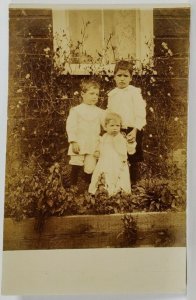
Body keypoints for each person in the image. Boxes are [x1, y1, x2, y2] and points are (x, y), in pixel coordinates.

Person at [107, 60, 146, 185]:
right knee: (119, 155)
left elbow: (140, 113)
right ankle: (120, 183)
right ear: (114, 77)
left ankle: (135, 184)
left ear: (131, 78)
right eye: (119, 75)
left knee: (133, 156)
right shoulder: (112, 94)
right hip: (117, 129)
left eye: (125, 76)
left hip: (133, 129)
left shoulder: (134, 93)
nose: (122, 79)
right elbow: (110, 113)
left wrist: (135, 130)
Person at [66, 78, 105, 187]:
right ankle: (72, 188)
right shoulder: (76, 110)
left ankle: (89, 189)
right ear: (83, 94)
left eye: (97, 94)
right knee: (76, 164)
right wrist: (73, 141)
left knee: (90, 167)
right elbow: (71, 126)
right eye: (91, 93)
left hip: (92, 144)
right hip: (79, 143)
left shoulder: (99, 112)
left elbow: (106, 124)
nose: (94, 97)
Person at [89, 112, 136, 196]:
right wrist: (97, 151)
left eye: (117, 126)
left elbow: (130, 151)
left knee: (120, 176)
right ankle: (103, 191)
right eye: (112, 126)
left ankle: (119, 192)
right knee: (105, 175)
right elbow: (100, 146)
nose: (115, 128)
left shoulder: (122, 137)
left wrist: (130, 143)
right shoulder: (104, 137)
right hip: (105, 162)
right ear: (106, 127)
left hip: (118, 162)